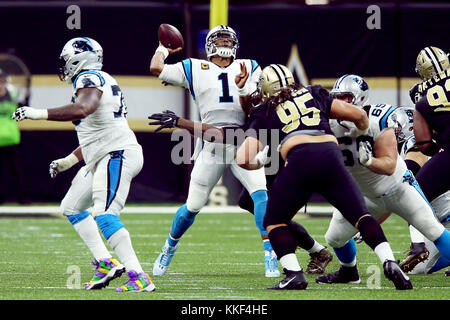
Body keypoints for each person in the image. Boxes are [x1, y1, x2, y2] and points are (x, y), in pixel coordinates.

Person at [234, 64, 412, 290]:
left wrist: (258, 161)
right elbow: (358, 115)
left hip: (300, 160)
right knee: (361, 216)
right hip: (331, 156)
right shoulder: (314, 92)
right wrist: (359, 134)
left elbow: (242, 159)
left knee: (273, 220)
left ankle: (294, 274)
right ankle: (388, 261)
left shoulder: (265, 110)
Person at [12, 37, 155, 292]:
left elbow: (83, 109)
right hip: (104, 153)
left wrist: (38, 113)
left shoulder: (88, 78)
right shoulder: (98, 79)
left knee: (105, 215)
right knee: (71, 206)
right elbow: (96, 135)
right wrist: (69, 161)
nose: (64, 66)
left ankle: (139, 276)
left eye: (66, 60)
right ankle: (105, 262)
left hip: (117, 153)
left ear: (79, 59)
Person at [149, 25, 280, 277]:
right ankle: (169, 247)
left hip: (244, 138)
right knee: (193, 205)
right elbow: (157, 68)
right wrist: (163, 48)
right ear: (209, 44)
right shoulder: (194, 67)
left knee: (261, 195)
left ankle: (270, 254)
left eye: (229, 40)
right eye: (220, 39)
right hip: (212, 143)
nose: (226, 43)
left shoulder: (250, 66)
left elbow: (255, 105)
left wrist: (244, 90)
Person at [315, 74, 450, 285]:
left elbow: (389, 166)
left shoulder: (379, 117)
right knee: (334, 238)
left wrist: (368, 161)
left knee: (433, 230)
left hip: (398, 188)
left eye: (346, 97)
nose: (340, 103)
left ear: (359, 98)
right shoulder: (328, 124)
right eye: (337, 97)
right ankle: (349, 273)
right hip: (363, 195)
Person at [409, 46, 450, 275]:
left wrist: (438, 149)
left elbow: (423, 143)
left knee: (413, 193)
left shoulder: (419, 94)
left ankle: (419, 246)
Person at [0, 69, 26, 204]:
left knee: (16, 171)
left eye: (2, 80)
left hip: (11, 138)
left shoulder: (13, 94)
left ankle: (21, 198)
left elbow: (24, 106)